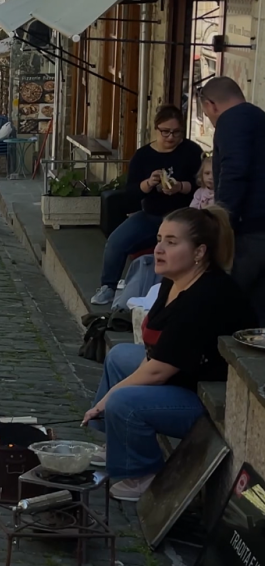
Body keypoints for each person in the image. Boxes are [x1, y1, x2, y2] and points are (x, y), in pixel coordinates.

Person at [82, 206, 256, 501]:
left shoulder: (206, 296)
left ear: (200, 252)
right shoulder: (174, 281)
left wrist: (107, 401)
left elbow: (159, 370)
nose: (159, 248)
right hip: (183, 376)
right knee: (121, 355)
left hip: (208, 398)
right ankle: (116, 443)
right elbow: (156, 354)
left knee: (125, 401)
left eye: (172, 242)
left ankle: (145, 475)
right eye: (160, 238)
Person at [90, 105, 203, 305]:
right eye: (165, 132)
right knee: (116, 242)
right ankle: (108, 286)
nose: (171, 137)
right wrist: (149, 184)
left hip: (183, 216)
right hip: (151, 215)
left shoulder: (192, 151)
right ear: (156, 129)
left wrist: (179, 187)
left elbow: (200, 184)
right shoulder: (143, 155)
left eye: (177, 133)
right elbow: (131, 192)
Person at [199, 76, 265, 323]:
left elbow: (234, 173)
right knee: (257, 306)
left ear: (210, 105)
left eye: (207, 113)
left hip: (248, 230)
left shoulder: (231, 122)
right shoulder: (258, 117)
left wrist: (221, 223)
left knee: (224, 299)